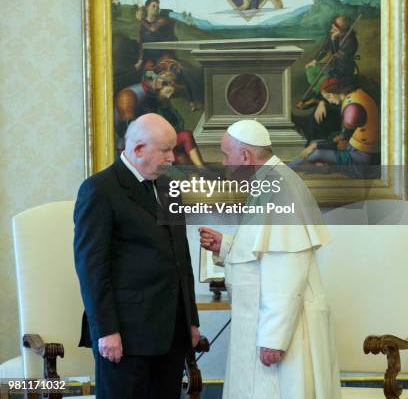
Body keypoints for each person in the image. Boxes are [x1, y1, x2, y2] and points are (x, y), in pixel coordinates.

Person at [199, 119, 341, 399]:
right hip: (267, 323)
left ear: (245, 157)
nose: (223, 162)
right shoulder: (270, 181)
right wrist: (227, 247)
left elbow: (286, 271)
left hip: (282, 332)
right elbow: (265, 251)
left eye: (226, 155)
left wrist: (273, 339)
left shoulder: (278, 187)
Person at [74, 113, 200, 399]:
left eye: (173, 149)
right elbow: (92, 268)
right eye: (165, 150)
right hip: (125, 335)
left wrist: (190, 320)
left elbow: (182, 259)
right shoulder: (100, 189)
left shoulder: (169, 188)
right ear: (139, 149)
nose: (172, 157)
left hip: (170, 331)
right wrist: (105, 331)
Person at [291, 77, 380, 176]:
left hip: (360, 158)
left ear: (335, 92)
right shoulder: (355, 95)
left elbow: (341, 142)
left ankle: (286, 170)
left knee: (315, 152)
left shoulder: (352, 109)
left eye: (329, 97)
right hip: (354, 148)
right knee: (313, 143)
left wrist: (315, 146)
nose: (329, 101)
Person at [294, 15, 359, 142]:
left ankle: (317, 97)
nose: (331, 29)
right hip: (332, 67)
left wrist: (335, 41)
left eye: (334, 28)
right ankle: (317, 94)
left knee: (325, 84)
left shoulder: (351, 40)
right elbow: (324, 50)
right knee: (311, 70)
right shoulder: (333, 35)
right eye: (332, 27)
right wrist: (314, 61)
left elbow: (338, 56)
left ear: (342, 29)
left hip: (344, 71)